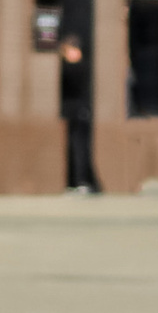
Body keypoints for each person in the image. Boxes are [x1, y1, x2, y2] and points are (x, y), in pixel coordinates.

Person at [60, 33, 102, 194]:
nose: (67, 55)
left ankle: (83, 181)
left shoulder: (81, 67)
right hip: (71, 112)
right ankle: (75, 181)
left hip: (80, 113)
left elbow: (72, 79)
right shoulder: (70, 67)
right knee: (72, 147)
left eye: (69, 51)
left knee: (80, 148)